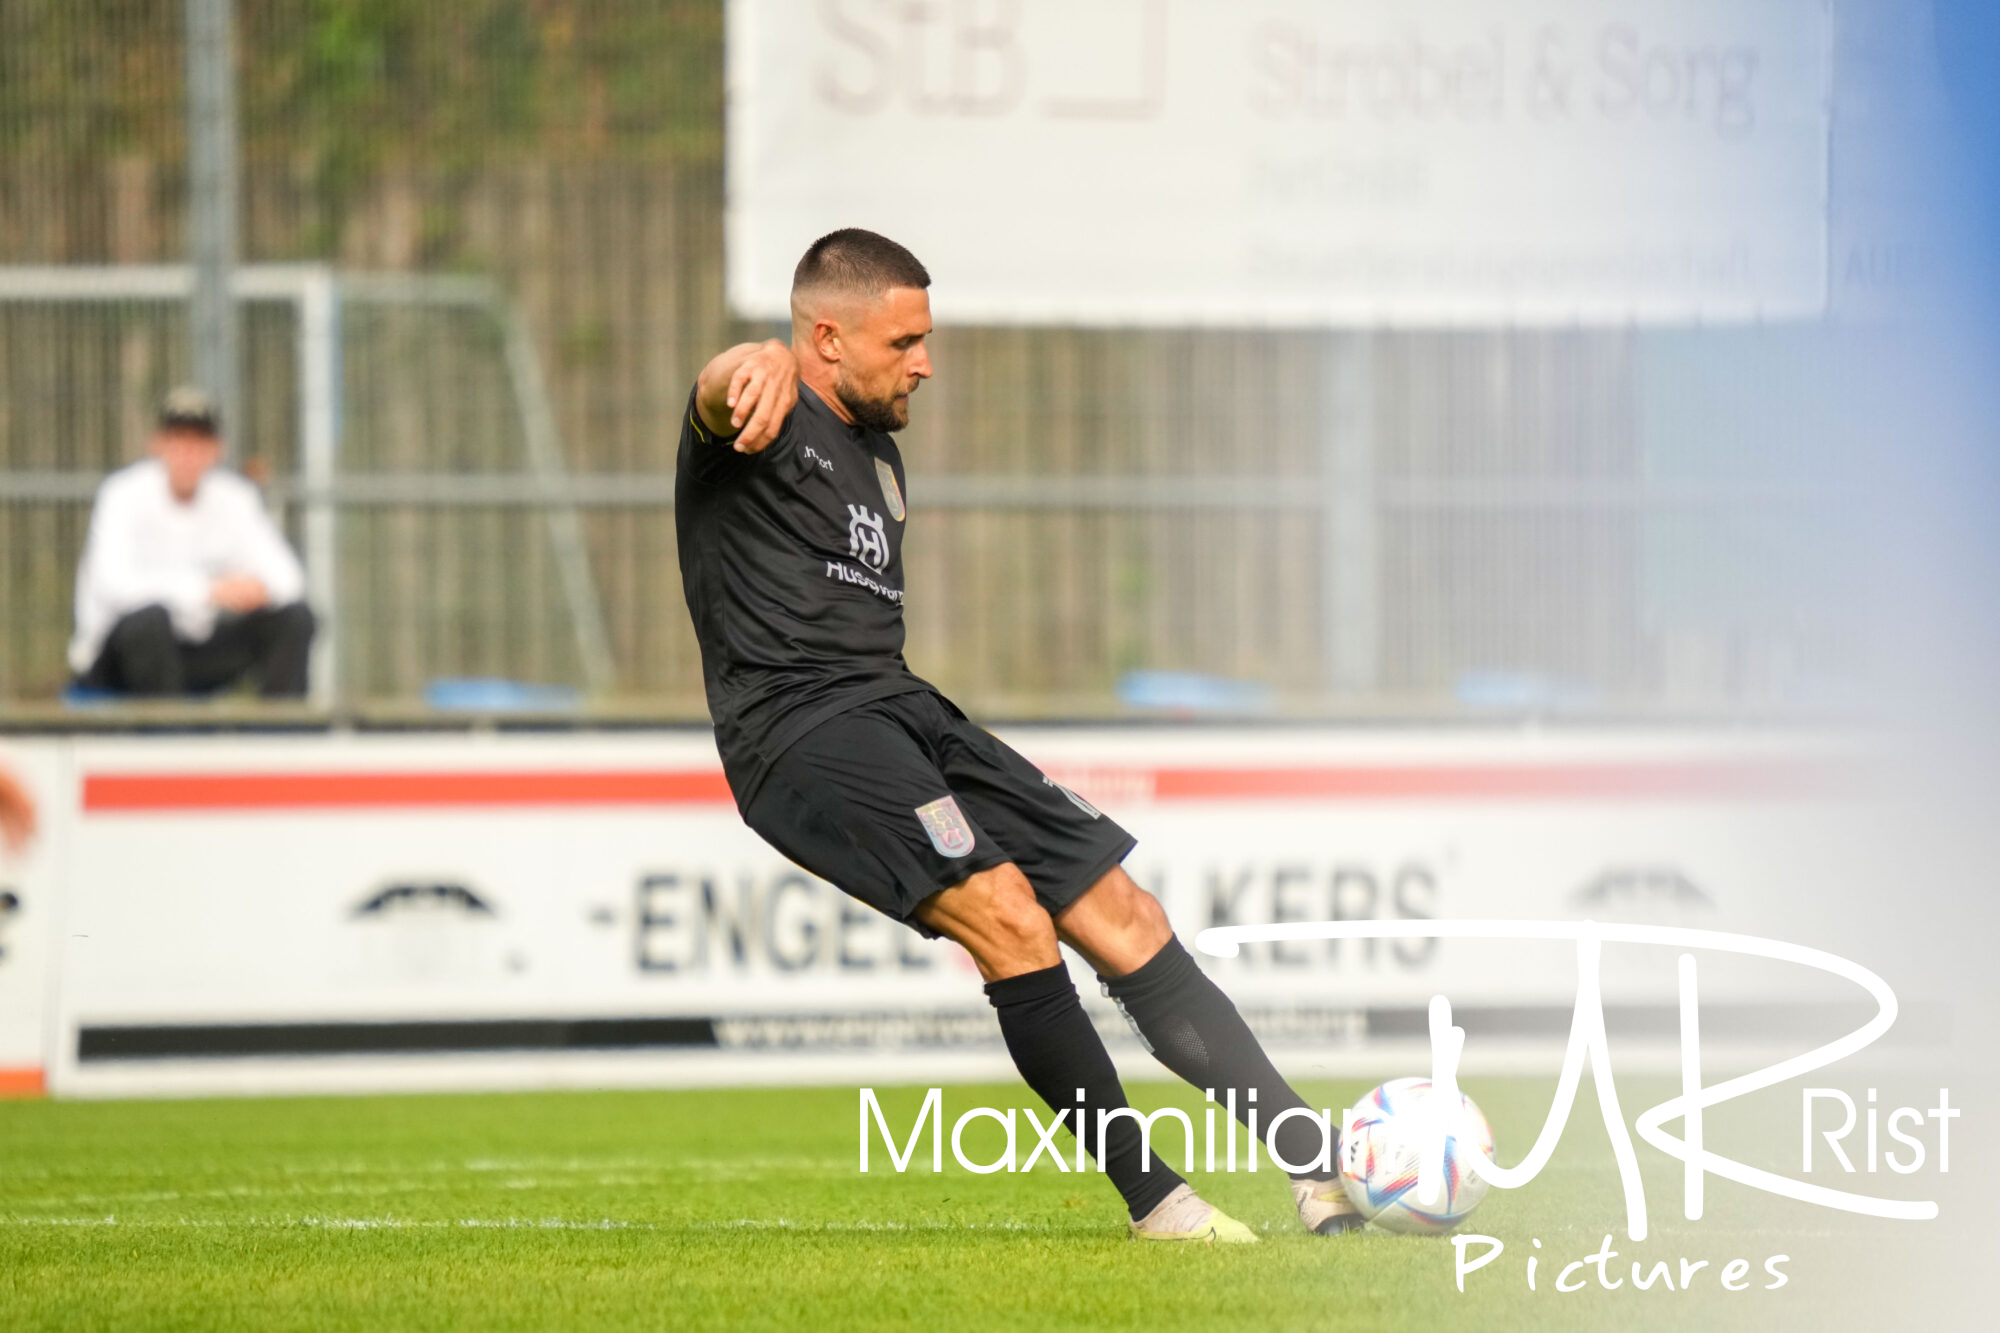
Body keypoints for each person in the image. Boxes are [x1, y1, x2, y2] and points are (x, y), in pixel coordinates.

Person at [675, 229, 1359, 1243]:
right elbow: (717, 392)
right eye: (903, 339)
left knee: (1120, 910)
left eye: (926, 337)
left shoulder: (878, 454)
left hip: (899, 708)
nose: (924, 361)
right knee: (1007, 917)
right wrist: (749, 365)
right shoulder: (759, 421)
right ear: (824, 337)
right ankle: (1157, 1202)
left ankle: (1316, 1167)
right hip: (798, 728)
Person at [69, 387, 315, 699]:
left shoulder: (235, 498)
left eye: (199, 442)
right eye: (178, 440)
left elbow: (289, 580)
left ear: (217, 449)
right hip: (118, 659)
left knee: (295, 618)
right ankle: (167, 738)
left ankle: (282, 737)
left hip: (193, 651)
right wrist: (208, 590)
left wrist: (253, 589)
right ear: (157, 445)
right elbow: (115, 586)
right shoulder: (121, 494)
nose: (188, 454)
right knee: (148, 623)